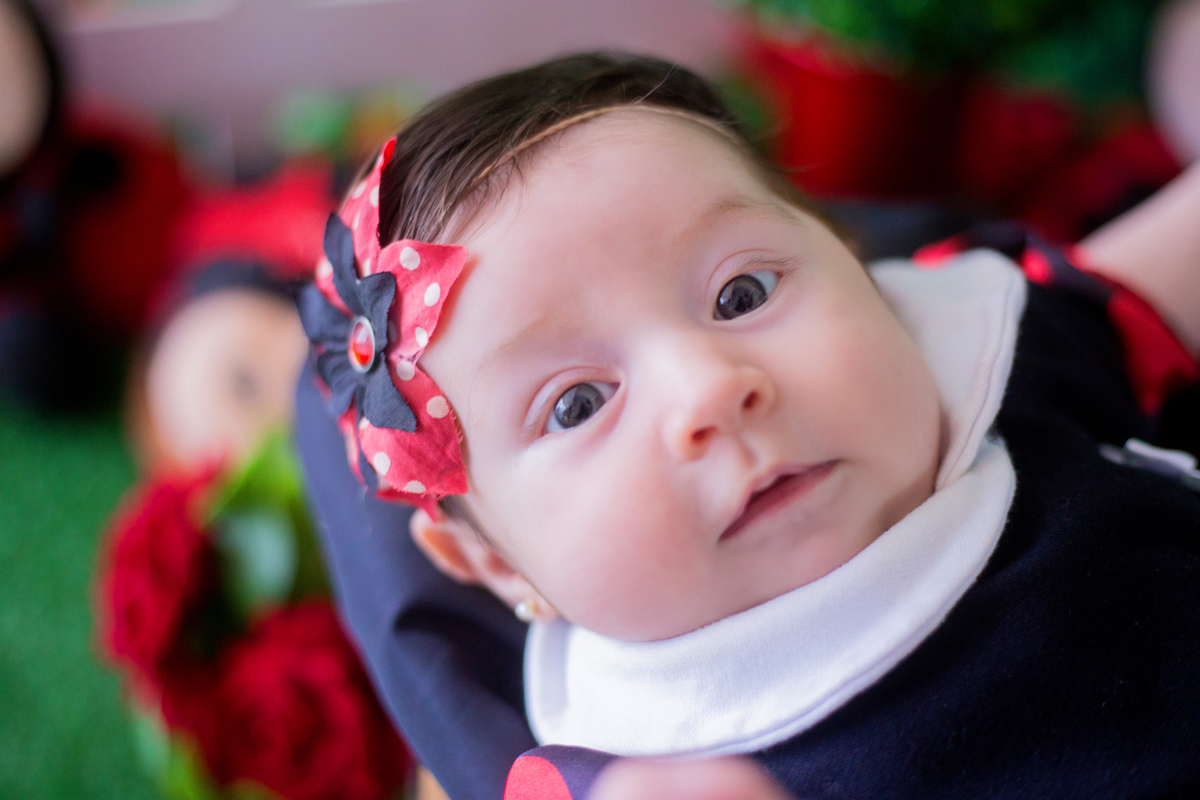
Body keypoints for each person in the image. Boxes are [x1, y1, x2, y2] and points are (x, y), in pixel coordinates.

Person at [294, 53, 1200, 800]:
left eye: (743, 293)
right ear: (496, 566)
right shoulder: (665, 770)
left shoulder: (996, 353)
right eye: (577, 403)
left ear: (860, 270)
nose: (712, 389)